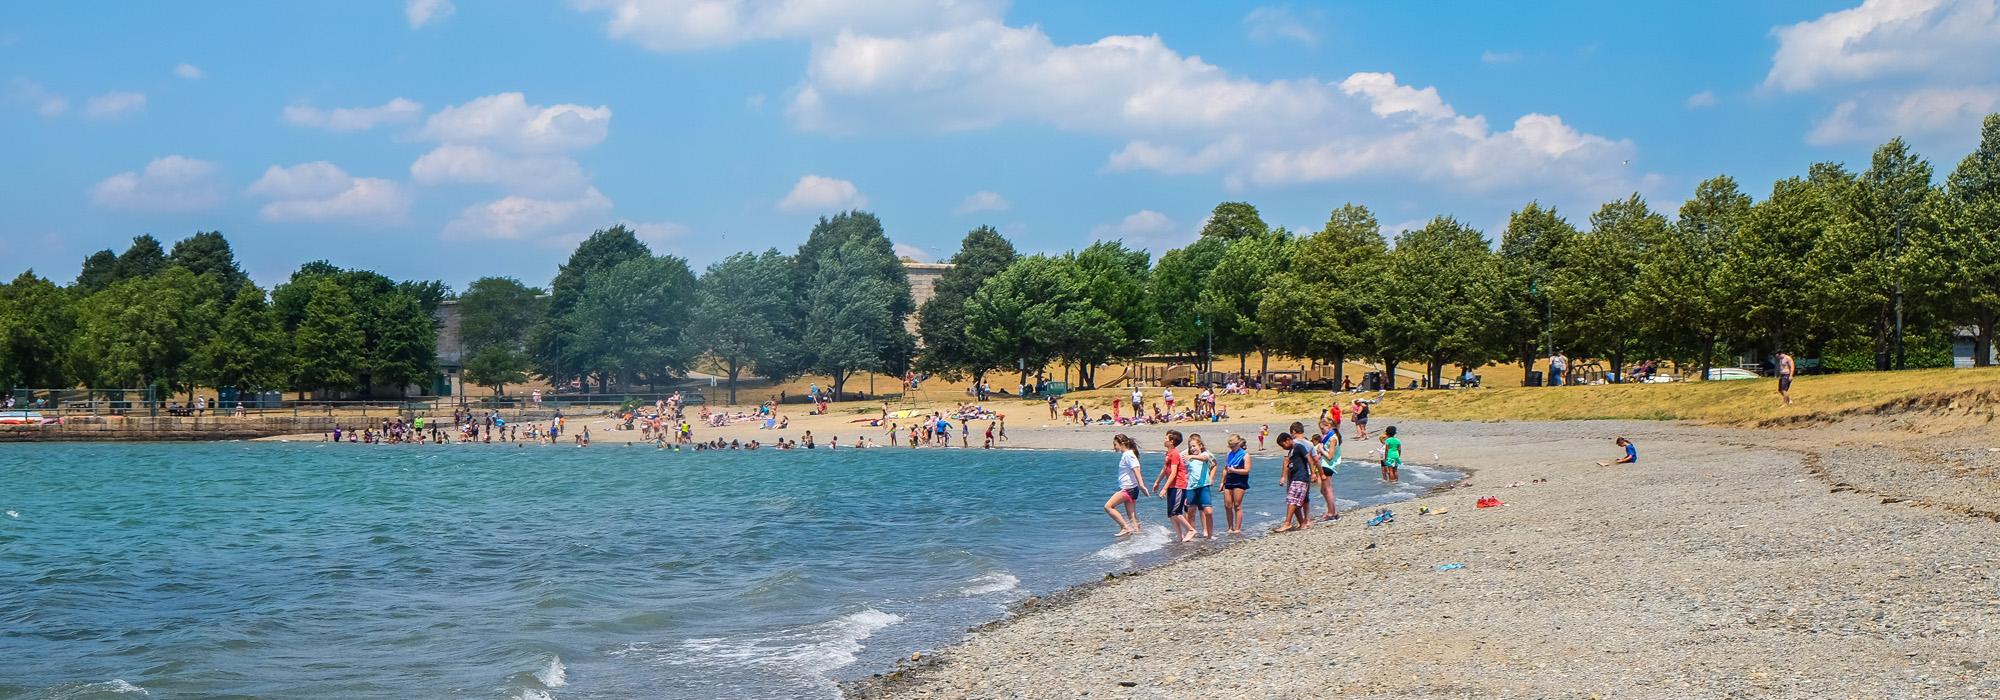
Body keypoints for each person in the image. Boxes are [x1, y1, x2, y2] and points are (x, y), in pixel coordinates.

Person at [1150, 430, 1195, 543]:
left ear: (1172, 441)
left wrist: (1164, 488)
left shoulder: (1175, 453)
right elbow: (1165, 469)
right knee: (1171, 514)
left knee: (1176, 512)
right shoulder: (1168, 453)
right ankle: (1180, 537)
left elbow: (1174, 473)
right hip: (1172, 485)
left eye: (1166, 438)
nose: (1164, 440)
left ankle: (1190, 530)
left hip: (1179, 485)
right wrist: (1157, 482)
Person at [1104, 434, 1148, 536]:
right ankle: (1139, 536)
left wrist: (1142, 485)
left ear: (1122, 444)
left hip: (1128, 489)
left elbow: (1136, 469)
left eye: (1115, 444)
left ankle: (1125, 527)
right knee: (1132, 516)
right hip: (1132, 489)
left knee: (1108, 507)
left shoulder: (1128, 454)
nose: (1113, 447)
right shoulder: (1128, 454)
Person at [1273, 431, 1315, 533]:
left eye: (1283, 445)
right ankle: (1302, 523)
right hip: (1295, 478)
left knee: (1292, 500)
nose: (1283, 448)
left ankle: (1287, 523)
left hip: (1301, 477)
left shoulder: (1299, 447)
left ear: (1288, 440)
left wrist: (1313, 473)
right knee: (1295, 501)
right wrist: (1285, 478)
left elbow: (1309, 458)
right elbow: (1288, 465)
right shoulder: (1291, 452)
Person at [1184, 434, 1216, 539]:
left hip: (1203, 487)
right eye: (1190, 447)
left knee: (1208, 511)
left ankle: (1209, 535)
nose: (1192, 449)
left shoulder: (1205, 454)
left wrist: (1211, 478)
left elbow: (1205, 458)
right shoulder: (1188, 458)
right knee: (1191, 512)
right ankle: (1193, 533)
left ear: (1200, 446)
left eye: (1194, 446)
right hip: (1191, 488)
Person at [1220, 434, 1252, 534]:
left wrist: (1234, 470)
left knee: (1237, 505)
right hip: (1229, 480)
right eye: (1230, 446)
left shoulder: (1245, 455)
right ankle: (1230, 527)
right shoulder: (1229, 454)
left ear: (1238, 444)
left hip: (1240, 481)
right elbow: (1226, 468)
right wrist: (1222, 481)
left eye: (1233, 446)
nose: (1232, 448)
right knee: (1227, 505)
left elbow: (1247, 470)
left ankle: (1237, 528)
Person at [1314, 426, 1342, 521]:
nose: (1321, 432)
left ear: (1329, 427)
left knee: (1327, 490)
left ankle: (1331, 513)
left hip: (1328, 465)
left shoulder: (1333, 438)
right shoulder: (1329, 438)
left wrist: (1321, 449)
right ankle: (1332, 511)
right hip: (1326, 465)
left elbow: (1330, 456)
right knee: (1323, 490)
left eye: (1322, 429)